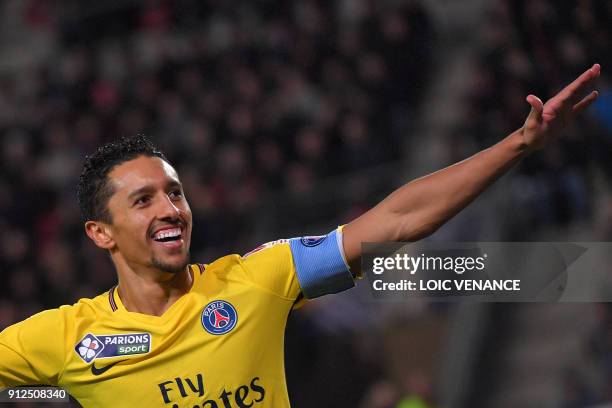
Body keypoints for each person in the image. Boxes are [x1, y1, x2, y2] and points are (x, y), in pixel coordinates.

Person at [0, 64, 601, 407]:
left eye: (176, 192)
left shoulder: (257, 279)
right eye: (144, 199)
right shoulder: (66, 336)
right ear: (100, 233)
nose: (172, 208)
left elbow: (395, 221)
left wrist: (518, 144)